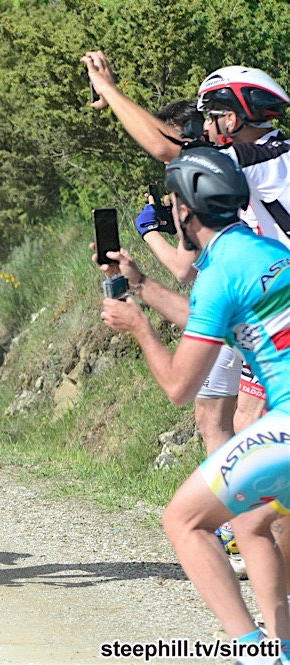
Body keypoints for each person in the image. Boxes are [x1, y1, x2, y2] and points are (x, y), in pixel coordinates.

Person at [84, 51, 290, 585]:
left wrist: (107, 91)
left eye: (216, 113)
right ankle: (261, 549)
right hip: (268, 302)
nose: (210, 127)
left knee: (256, 437)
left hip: (274, 301)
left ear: (243, 111)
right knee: (247, 427)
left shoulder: (257, 156)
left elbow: (165, 148)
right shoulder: (268, 153)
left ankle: (266, 556)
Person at [98, 147, 289, 664]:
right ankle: (281, 645)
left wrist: (138, 326)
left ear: (186, 211)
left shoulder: (220, 273)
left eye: (172, 204)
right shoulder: (259, 251)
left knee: (184, 521)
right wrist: (141, 286)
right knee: (250, 523)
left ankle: (253, 651)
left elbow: (180, 387)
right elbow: (211, 322)